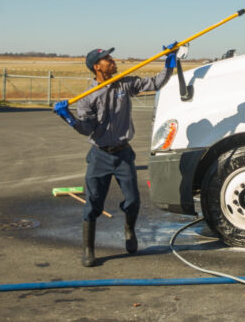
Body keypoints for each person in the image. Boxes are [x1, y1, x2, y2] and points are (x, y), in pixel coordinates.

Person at [53, 45, 177, 267]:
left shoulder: (124, 84)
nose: (113, 61)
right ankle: (88, 249)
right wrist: (68, 118)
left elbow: (156, 82)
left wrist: (170, 61)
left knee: (133, 200)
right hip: (99, 156)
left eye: (111, 57)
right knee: (93, 203)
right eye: (107, 59)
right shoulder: (87, 97)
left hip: (123, 154)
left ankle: (129, 230)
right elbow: (86, 128)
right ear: (97, 67)